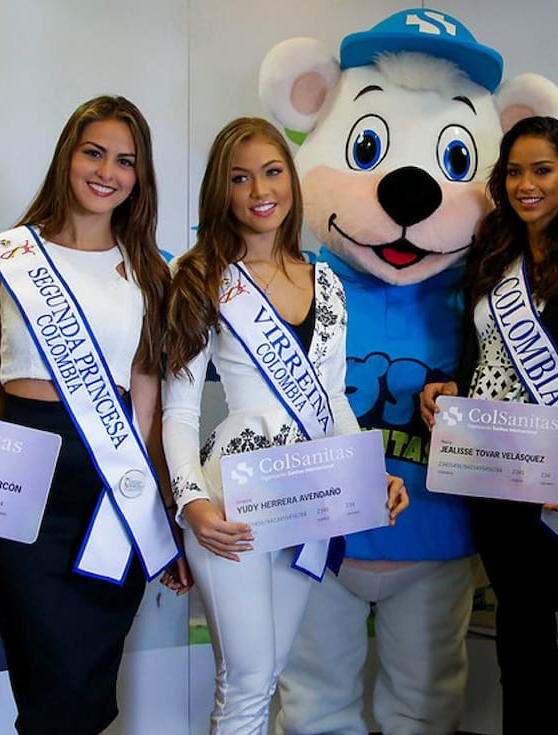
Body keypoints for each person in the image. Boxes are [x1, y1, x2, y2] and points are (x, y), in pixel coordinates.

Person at [0, 95, 187, 734]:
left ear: (140, 176)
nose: (107, 172)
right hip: (24, 484)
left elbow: (148, 406)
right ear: (67, 157)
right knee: (47, 683)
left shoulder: (153, 272)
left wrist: (168, 509)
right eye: (93, 152)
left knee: (89, 683)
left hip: (113, 488)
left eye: (125, 161)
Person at [161, 117, 408, 735]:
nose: (258, 189)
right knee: (243, 684)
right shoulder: (197, 276)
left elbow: (333, 398)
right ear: (221, 190)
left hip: (309, 500)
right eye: (239, 177)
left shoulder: (325, 280)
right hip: (232, 503)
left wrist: (370, 474)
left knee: (269, 674)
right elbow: (179, 408)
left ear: (291, 181)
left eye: (272, 171)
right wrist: (191, 502)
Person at [420, 116, 558, 734]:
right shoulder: (493, 254)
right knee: (522, 617)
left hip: (554, 475)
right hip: (486, 464)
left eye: (541, 170)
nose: (526, 184)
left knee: (527, 614)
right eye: (514, 172)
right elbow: (478, 354)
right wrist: (449, 389)